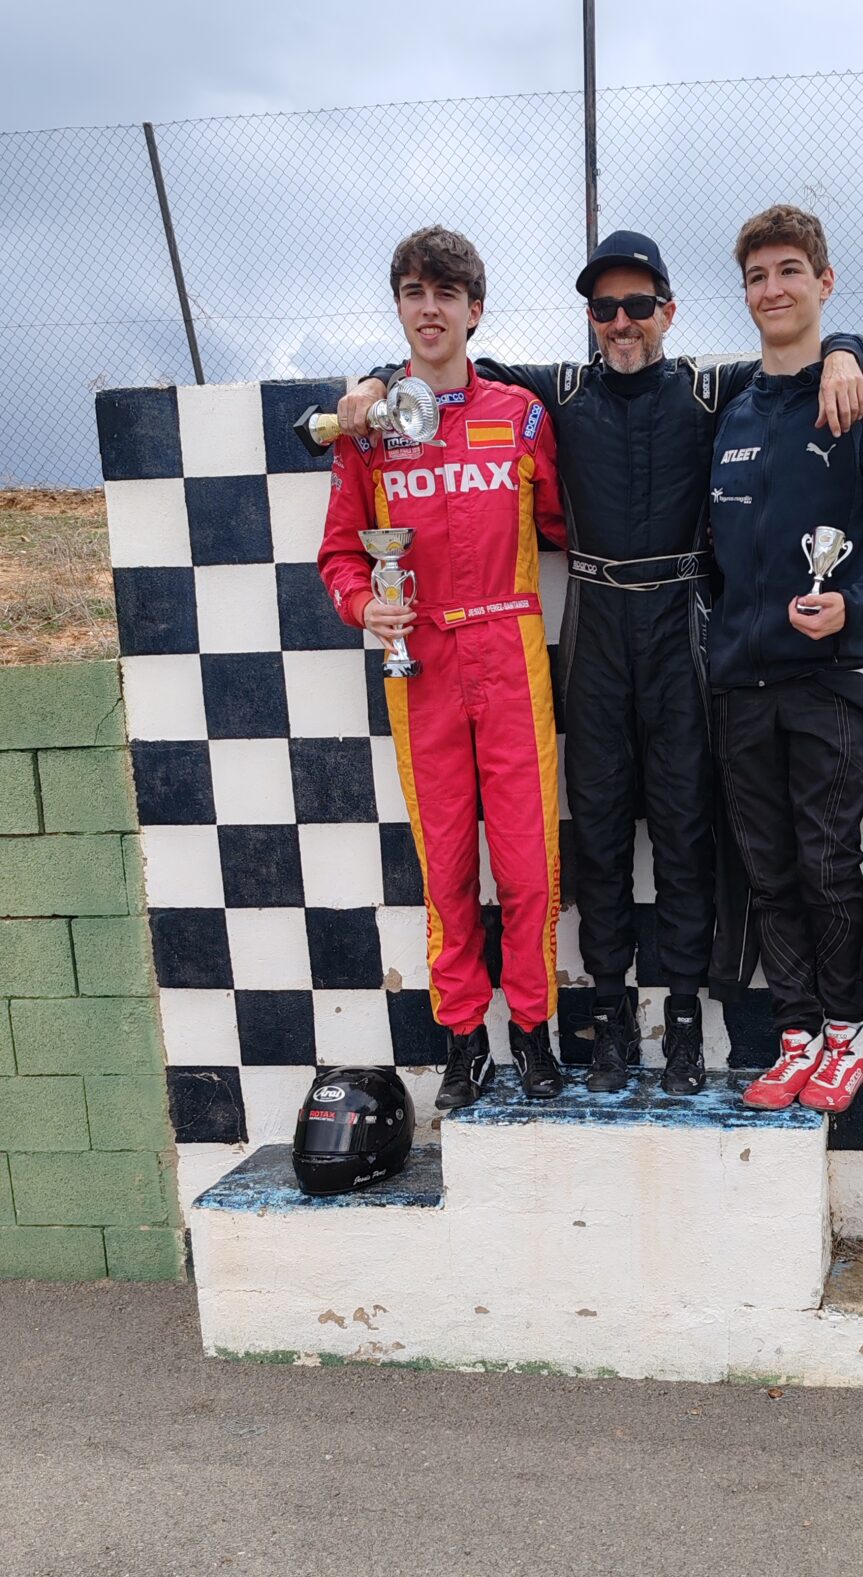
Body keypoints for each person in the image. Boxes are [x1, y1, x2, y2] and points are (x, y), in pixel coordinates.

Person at [338, 229, 863, 1096]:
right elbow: (446, 357)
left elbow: (794, 357)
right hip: (591, 630)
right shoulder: (556, 393)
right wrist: (370, 381)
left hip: (682, 627)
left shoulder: (708, 389)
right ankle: (612, 1018)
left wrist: (846, 349)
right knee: (596, 835)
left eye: (638, 305)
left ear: (668, 310)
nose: (621, 322)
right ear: (589, 317)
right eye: (604, 308)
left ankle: (686, 1018)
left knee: (686, 831)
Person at [318, 227, 569, 1108]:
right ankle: (465, 1041)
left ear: (474, 310)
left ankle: (534, 1033)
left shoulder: (522, 415)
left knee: (530, 867)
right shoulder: (369, 427)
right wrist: (363, 605)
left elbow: (567, 524)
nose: (430, 309)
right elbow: (341, 555)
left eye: (446, 294)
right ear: (399, 307)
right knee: (448, 867)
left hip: (510, 653)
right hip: (419, 664)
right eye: (414, 293)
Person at [705, 205, 863, 1114]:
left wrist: (855, 604)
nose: (772, 290)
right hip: (740, 685)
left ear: (824, 282)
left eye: (789, 272)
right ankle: (795, 1035)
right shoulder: (732, 411)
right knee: (768, 873)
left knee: (829, 867)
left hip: (830, 684)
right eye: (757, 276)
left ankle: (845, 1036)